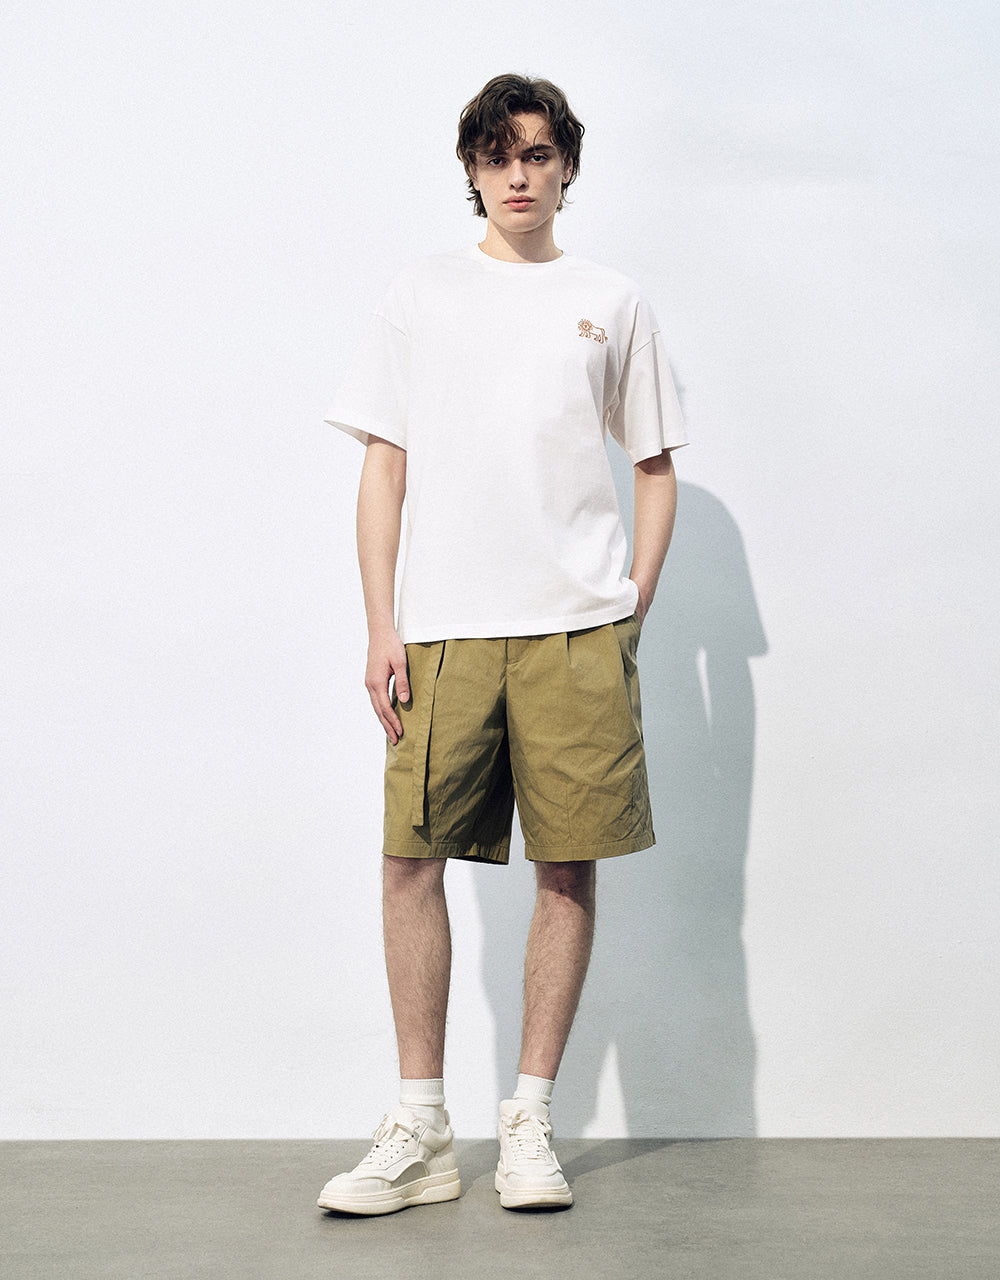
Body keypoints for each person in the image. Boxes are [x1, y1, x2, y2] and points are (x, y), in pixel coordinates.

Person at [317, 72, 687, 1215]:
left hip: (575, 628)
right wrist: (380, 621)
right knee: (408, 858)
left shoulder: (611, 297)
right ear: (472, 170)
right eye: (496, 155)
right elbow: (384, 466)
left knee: (565, 865)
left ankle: (529, 1117)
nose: (517, 175)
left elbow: (655, 463)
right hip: (442, 629)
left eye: (536, 154)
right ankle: (421, 1125)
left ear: (566, 166)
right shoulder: (419, 293)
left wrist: (630, 604)